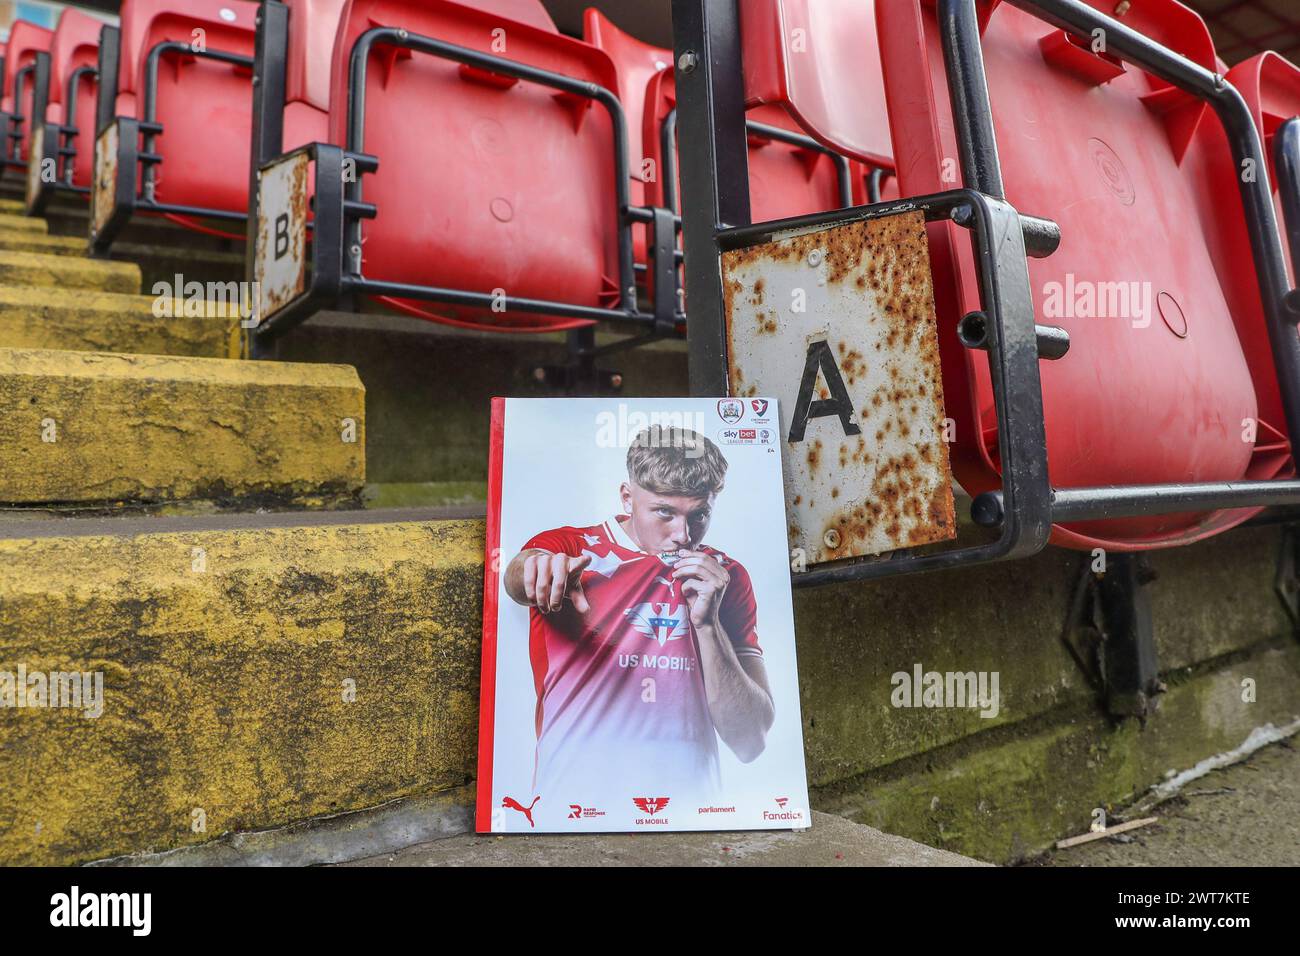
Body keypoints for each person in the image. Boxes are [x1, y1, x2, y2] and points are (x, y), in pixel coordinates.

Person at [503, 426, 775, 814]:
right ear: (627, 497)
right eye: (665, 512)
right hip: (572, 808)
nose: (683, 535)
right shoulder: (572, 549)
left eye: (699, 515)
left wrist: (708, 625)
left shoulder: (724, 576)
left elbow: (751, 742)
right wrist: (538, 570)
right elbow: (518, 576)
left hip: (692, 811)